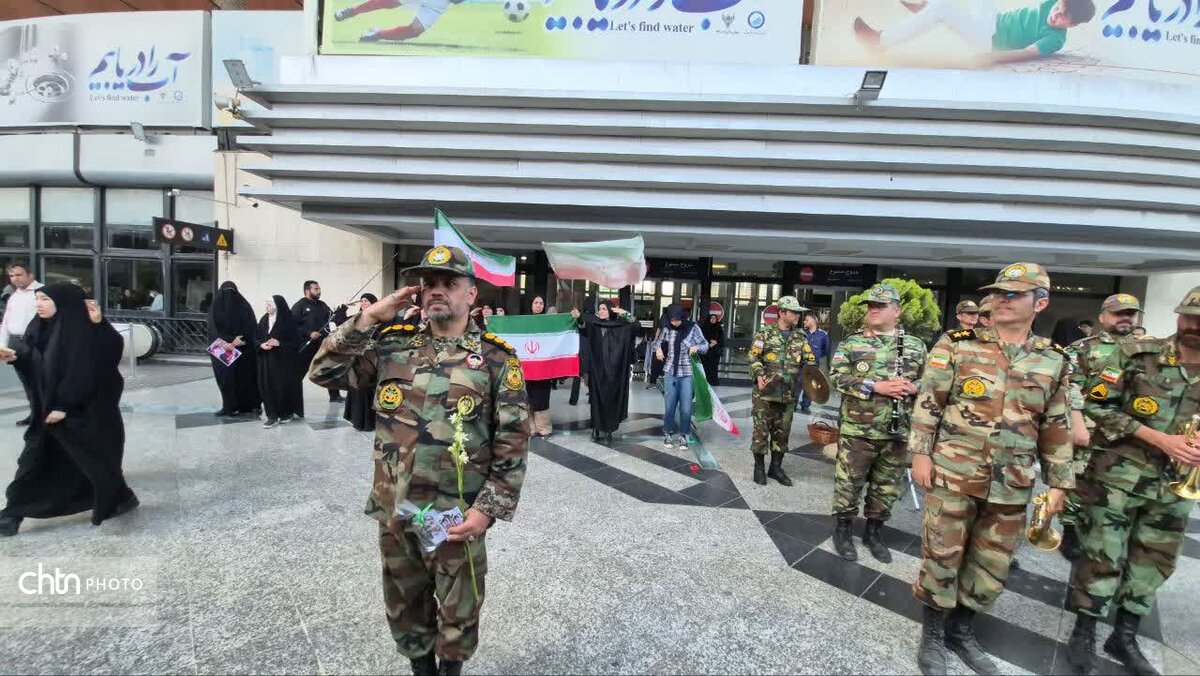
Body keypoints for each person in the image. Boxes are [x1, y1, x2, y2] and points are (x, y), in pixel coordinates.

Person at [308, 245, 530, 676]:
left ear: (471, 294)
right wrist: (369, 318)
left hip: (456, 514)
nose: (437, 290)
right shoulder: (392, 345)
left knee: (459, 611)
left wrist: (486, 510)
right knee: (405, 607)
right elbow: (324, 373)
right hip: (397, 508)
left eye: (450, 283)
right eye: (429, 283)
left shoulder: (495, 358)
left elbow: (514, 440)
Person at [909, 262, 1073, 676]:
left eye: (1014, 294)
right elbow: (929, 403)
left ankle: (961, 630)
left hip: (1013, 481)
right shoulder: (957, 344)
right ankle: (933, 635)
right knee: (941, 554)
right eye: (998, 293)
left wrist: (1058, 484)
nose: (1002, 299)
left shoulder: (1053, 359)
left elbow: (1056, 426)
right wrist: (921, 454)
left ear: (1040, 303)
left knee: (992, 562)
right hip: (953, 472)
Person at [1064, 286, 1200, 676]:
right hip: (1118, 476)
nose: (1192, 325)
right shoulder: (1139, 353)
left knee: (1154, 560)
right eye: (1187, 316)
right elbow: (1096, 402)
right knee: (1101, 553)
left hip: (1174, 484)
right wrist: (1159, 438)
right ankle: (1084, 632)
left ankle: (1124, 636)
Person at [0, 284, 138, 537]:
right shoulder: (38, 327)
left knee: (92, 464)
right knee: (32, 462)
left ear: (64, 303)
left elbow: (93, 369)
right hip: (47, 414)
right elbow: (35, 359)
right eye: (37, 299)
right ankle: (13, 513)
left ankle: (120, 498)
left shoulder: (87, 331)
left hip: (82, 417)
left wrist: (65, 405)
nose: (38, 304)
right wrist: (17, 358)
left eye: (44, 299)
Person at [829, 284, 926, 562]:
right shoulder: (851, 343)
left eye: (880, 306)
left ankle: (873, 532)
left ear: (897, 311)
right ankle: (843, 531)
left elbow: (933, 383)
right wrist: (875, 386)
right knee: (848, 484)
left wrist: (915, 388)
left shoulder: (916, 346)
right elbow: (836, 378)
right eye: (871, 305)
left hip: (897, 431)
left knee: (886, 487)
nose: (873, 310)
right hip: (858, 431)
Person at [1058, 293, 1142, 561]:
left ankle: (1109, 529)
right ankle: (1071, 530)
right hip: (1091, 427)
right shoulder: (1083, 348)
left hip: (1131, 430)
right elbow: (1068, 385)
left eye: (1131, 314)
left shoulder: (1150, 350)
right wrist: (1077, 424)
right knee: (1079, 478)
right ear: (1103, 317)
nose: (1125, 318)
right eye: (1119, 313)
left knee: (1119, 483)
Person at [854, 0, 1096, 66]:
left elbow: (1026, 53)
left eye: (1063, 16)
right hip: (993, 20)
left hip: (988, 40)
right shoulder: (1055, 3)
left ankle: (879, 41)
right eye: (1058, 7)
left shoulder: (1055, 39)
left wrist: (990, 58)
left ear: (1072, 25)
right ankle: (928, 8)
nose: (1055, 14)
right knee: (940, 8)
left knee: (943, 9)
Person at [748, 296, 815, 485]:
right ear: (781, 313)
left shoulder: (800, 336)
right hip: (765, 393)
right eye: (794, 312)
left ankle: (775, 468)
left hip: (788, 394)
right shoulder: (764, 333)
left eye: (798, 313)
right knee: (761, 432)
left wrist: (813, 375)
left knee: (782, 433)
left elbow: (809, 361)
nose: (797, 315)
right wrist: (759, 373)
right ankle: (759, 468)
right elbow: (753, 357)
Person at [576, 301, 638, 443]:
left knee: (611, 401)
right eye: (600, 309)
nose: (601, 311)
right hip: (597, 371)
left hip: (615, 372)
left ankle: (609, 430)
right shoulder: (595, 325)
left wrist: (625, 313)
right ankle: (596, 428)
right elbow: (583, 328)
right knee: (596, 400)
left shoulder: (621, 326)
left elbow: (636, 326)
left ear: (610, 310)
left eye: (604, 309)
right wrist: (579, 318)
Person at [656, 304, 709, 450]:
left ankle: (684, 435)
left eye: (677, 320)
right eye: (672, 320)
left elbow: (705, 345)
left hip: (687, 373)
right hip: (670, 371)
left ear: (683, 317)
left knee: (686, 407)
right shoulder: (667, 328)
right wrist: (658, 349)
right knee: (669, 405)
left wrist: (697, 347)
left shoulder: (693, 328)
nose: (675, 323)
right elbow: (657, 342)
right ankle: (667, 433)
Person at [207, 281, 261, 418]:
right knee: (226, 380)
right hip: (223, 351)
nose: (229, 297)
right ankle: (229, 406)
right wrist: (229, 341)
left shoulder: (243, 307)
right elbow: (213, 329)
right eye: (226, 293)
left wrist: (237, 341)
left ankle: (251, 406)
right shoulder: (217, 307)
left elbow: (251, 328)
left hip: (243, 351)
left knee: (246, 378)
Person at [0, 263, 43, 426]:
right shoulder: (14, 295)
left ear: (30, 275)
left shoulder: (42, 292)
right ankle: (35, 413)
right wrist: (3, 345)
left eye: (19, 275)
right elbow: (6, 322)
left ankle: (44, 415)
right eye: (12, 276)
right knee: (26, 381)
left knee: (41, 380)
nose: (15, 279)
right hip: (15, 343)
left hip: (35, 343)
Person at [257, 296, 304, 428]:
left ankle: (286, 413)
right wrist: (261, 344)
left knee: (282, 387)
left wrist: (280, 343)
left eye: (269, 305)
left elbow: (296, 342)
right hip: (266, 360)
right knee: (267, 386)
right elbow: (256, 337)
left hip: (283, 362)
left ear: (277, 306)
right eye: (266, 305)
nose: (267, 308)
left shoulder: (288, 321)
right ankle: (271, 416)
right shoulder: (264, 320)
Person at [292, 281, 342, 403]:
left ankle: (334, 396)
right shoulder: (299, 305)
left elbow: (332, 318)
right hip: (306, 345)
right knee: (298, 372)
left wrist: (342, 309)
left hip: (322, 344)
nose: (319, 291)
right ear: (307, 290)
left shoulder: (322, 305)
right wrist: (309, 333)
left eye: (319, 289)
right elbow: (292, 325)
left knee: (329, 367)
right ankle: (292, 397)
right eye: (316, 289)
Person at [337, 0, 466, 42]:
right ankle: (351, 11)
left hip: (440, 2)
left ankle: (377, 34)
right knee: (389, 2)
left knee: (415, 30)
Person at [342, 294, 381, 432]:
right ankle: (358, 419)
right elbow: (340, 324)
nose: (364, 303)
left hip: (372, 358)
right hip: (357, 358)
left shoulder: (379, 318)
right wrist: (344, 307)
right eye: (362, 301)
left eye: (367, 301)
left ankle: (370, 421)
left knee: (369, 387)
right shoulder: (356, 318)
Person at [521, 294, 557, 437]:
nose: (538, 305)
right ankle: (530, 427)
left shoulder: (548, 322)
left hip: (543, 367)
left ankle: (544, 427)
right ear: (531, 304)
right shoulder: (523, 321)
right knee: (528, 396)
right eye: (536, 302)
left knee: (542, 396)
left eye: (541, 303)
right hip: (527, 366)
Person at [799, 312, 831, 414]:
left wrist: (816, 357)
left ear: (813, 321)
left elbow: (825, 350)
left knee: (810, 385)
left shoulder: (823, 335)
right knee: (797, 384)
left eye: (806, 320)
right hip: (800, 364)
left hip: (813, 366)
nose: (804, 322)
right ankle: (793, 403)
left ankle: (805, 405)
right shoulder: (802, 333)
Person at [700, 311, 725, 386]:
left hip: (715, 352)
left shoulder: (719, 328)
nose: (713, 320)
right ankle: (705, 382)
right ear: (709, 319)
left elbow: (722, 339)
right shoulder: (704, 328)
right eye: (711, 318)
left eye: (715, 318)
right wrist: (709, 343)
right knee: (706, 367)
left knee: (714, 367)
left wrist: (716, 342)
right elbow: (701, 338)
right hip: (706, 352)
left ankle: (714, 381)